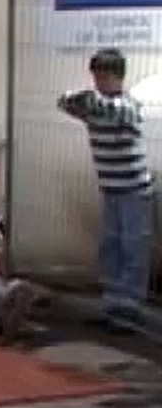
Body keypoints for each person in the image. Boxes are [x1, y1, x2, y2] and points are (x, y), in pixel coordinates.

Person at [58, 48, 153, 332]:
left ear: (118, 77)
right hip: (110, 189)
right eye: (96, 75)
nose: (98, 80)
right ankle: (112, 301)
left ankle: (130, 305)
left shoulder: (128, 107)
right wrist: (81, 99)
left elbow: (108, 108)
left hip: (134, 190)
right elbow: (64, 102)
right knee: (110, 245)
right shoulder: (95, 109)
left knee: (133, 246)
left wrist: (87, 98)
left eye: (104, 75)